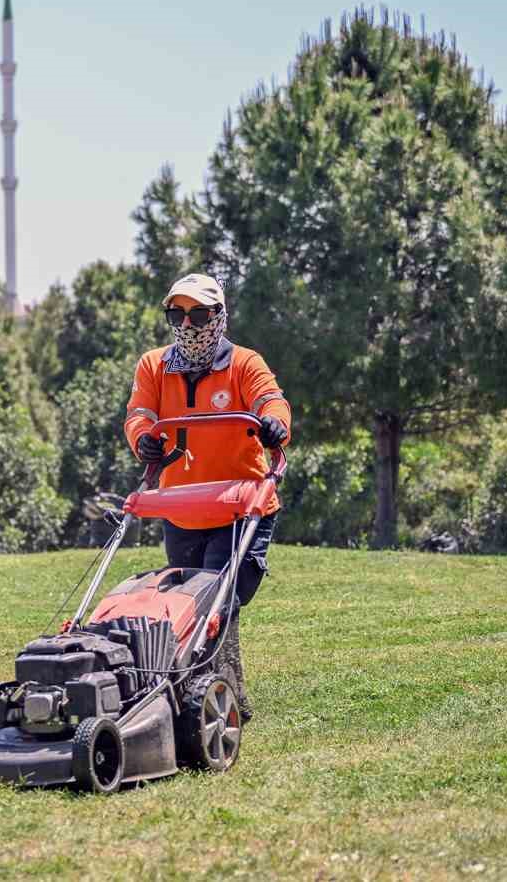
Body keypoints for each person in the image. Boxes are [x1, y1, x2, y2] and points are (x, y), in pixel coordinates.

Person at [123, 272, 291, 721]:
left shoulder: (244, 363)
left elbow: (271, 400)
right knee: (186, 605)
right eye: (177, 313)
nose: (188, 322)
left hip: (242, 502)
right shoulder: (154, 366)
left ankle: (214, 696)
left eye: (198, 313)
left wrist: (273, 423)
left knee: (217, 597)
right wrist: (143, 439)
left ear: (218, 316)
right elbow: (139, 414)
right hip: (181, 505)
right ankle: (214, 696)